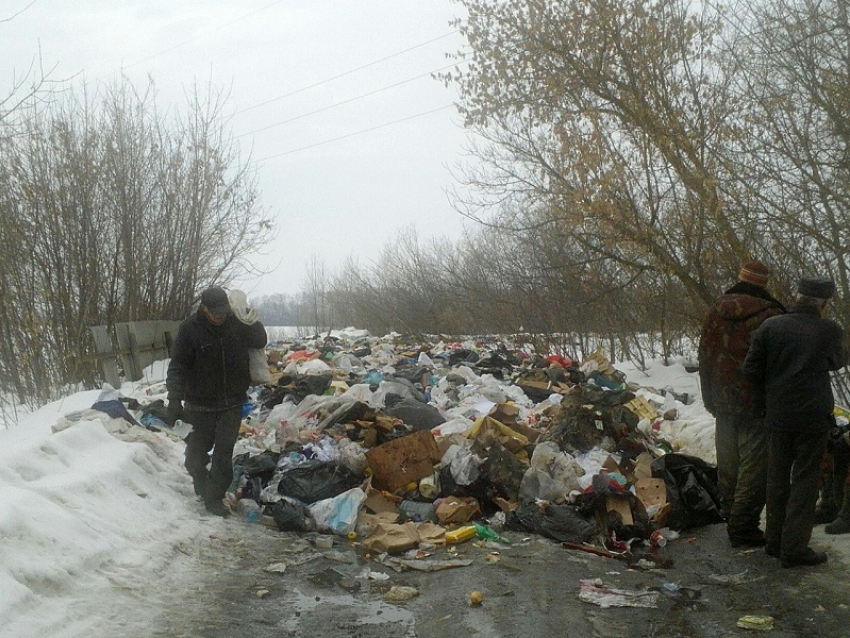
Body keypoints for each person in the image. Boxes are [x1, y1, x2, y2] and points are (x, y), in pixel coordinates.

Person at [743, 276, 845, 567]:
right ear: (824, 304)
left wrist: (768, 395)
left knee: (776, 478)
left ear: (797, 296)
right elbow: (838, 361)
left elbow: (750, 369)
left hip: (778, 416)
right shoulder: (828, 330)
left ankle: (774, 542)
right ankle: (795, 547)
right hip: (813, 418)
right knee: (805, 482)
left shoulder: (771, 326)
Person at [698, 260, 785, 547]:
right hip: (757, 401)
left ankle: (731, 515)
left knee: (729, 462)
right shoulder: (772, 315)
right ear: (764, 283)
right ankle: (744, 526)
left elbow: (705, 357)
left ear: (740, 279)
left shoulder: (716, 310)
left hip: (722, 399)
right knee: (754, 465)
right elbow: (778, 365)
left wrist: (709, 398)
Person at [166, 286, 267, 517]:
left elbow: (260, 340)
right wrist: (174, 399)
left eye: (224, 312)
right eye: (216, 313)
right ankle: (203, 484)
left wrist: (248, 317)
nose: (220, 317)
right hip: (199, 405)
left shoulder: (236, 322)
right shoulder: (190, 329)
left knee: (223, 454)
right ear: (204, 308)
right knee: (194, 458)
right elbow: (178, 367)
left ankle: (214, 498)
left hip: (231, 402)